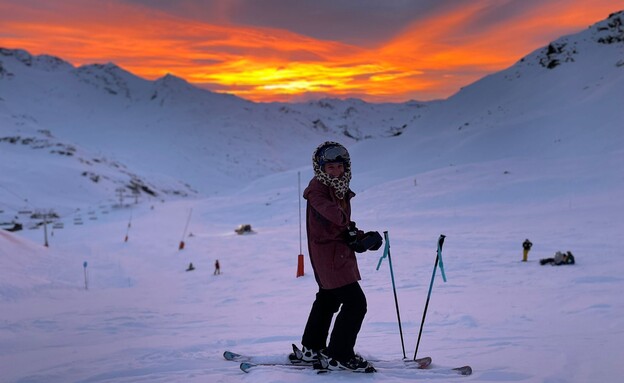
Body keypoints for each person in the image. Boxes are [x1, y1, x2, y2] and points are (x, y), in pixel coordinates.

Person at [293, 141, 382, 372]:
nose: (336, 171)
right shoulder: (318, 190)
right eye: (330, 167)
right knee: (356, 303)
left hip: (332, 255)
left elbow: (340, 224)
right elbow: (334, 215)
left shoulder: (336, 187)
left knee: (327, 300)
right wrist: (353, 234)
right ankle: (340, 355)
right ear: (320, 168)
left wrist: (362, 238)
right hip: (330, 257)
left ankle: (312, 348)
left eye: (339, 167)